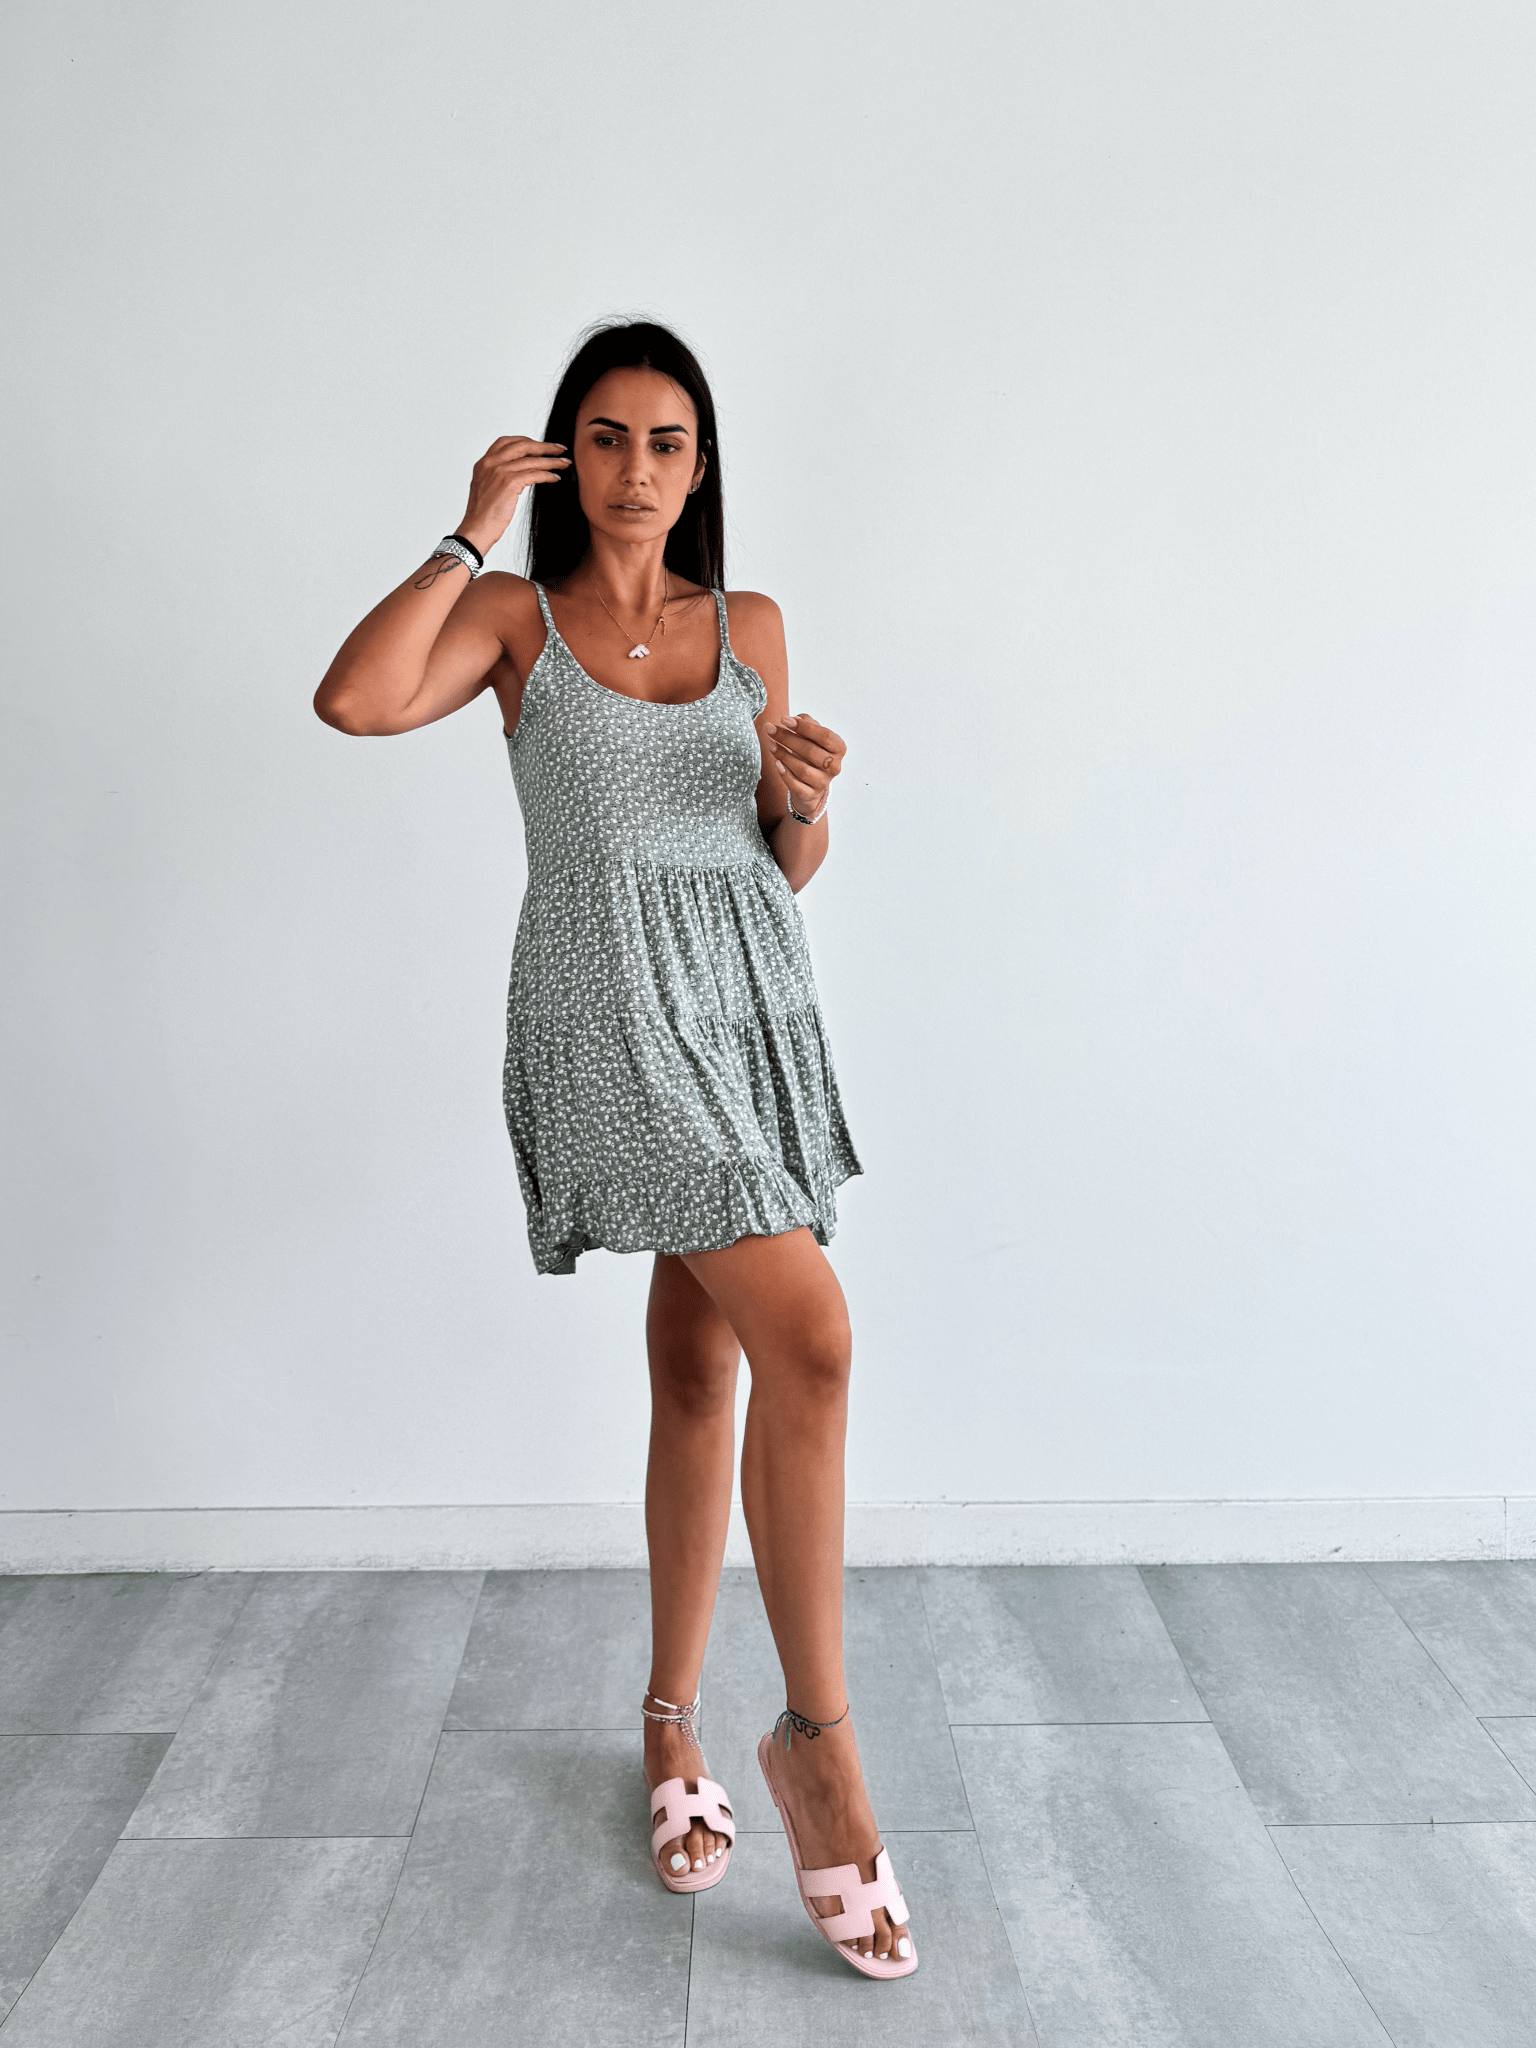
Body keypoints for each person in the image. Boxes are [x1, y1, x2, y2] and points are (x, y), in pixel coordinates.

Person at [313, 320, 915, 1977]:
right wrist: (466, 533)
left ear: (699, 464)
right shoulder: (514, 619)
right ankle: (819, 1747)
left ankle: (669, 1724)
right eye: (603, 437)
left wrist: (803, 799)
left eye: (665, 441)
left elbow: (776, 865)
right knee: (813, 1338)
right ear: (560, 455)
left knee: (700, 1367)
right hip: (609, 1019)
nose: (635, 469)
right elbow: (356, 702)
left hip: (746, 1005)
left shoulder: (751, 624)